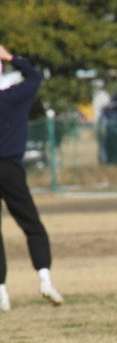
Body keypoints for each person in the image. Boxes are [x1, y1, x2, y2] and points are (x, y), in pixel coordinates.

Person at [0, 45, 63, 311]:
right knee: (32, 225)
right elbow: (35, 77)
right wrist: (10, 57)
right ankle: (44, 278)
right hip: (10, 169)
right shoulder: (15, 97)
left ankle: (1, 292)